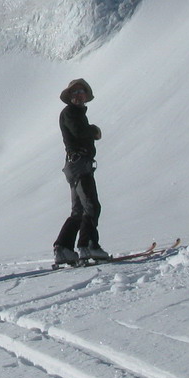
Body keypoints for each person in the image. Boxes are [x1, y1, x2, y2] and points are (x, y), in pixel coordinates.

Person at [54, 79, 108, 265]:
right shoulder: (71, 113)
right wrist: (93, 130)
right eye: (75, 92)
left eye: (81, 92)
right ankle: (88, 245)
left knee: (79, 210)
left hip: (76, 164)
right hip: (79, 165)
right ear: (70, 96)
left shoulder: (73, 113)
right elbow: (78, 132)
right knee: (91, 206)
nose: (78, 95)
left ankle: (64, 248)